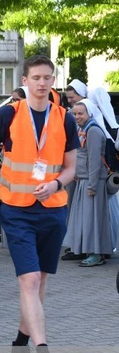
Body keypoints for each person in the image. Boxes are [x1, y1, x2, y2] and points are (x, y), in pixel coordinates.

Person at [0, 55, 78, 353]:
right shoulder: (8, 113)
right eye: (35, 77)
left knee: (40, 283)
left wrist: (55, 184)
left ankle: (21, 341)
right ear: (25, 81)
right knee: (30, 279)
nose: (41, 83)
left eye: (47, 78)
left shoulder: (65, 118)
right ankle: (43, 351)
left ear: (53, 81)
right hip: (16, 208)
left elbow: (71, 169)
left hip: (53, 209)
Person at [63, 100, 112, 266]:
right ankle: (90, 251)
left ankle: (96, 254)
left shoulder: (93, 131)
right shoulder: (84, 129)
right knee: (86, 219)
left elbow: (94, 161)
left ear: (89, 113)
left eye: (80, 113)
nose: (77, 117)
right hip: (85, 181)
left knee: (93, 220)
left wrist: (91, 185)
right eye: (75, 114)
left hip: (92, 183)